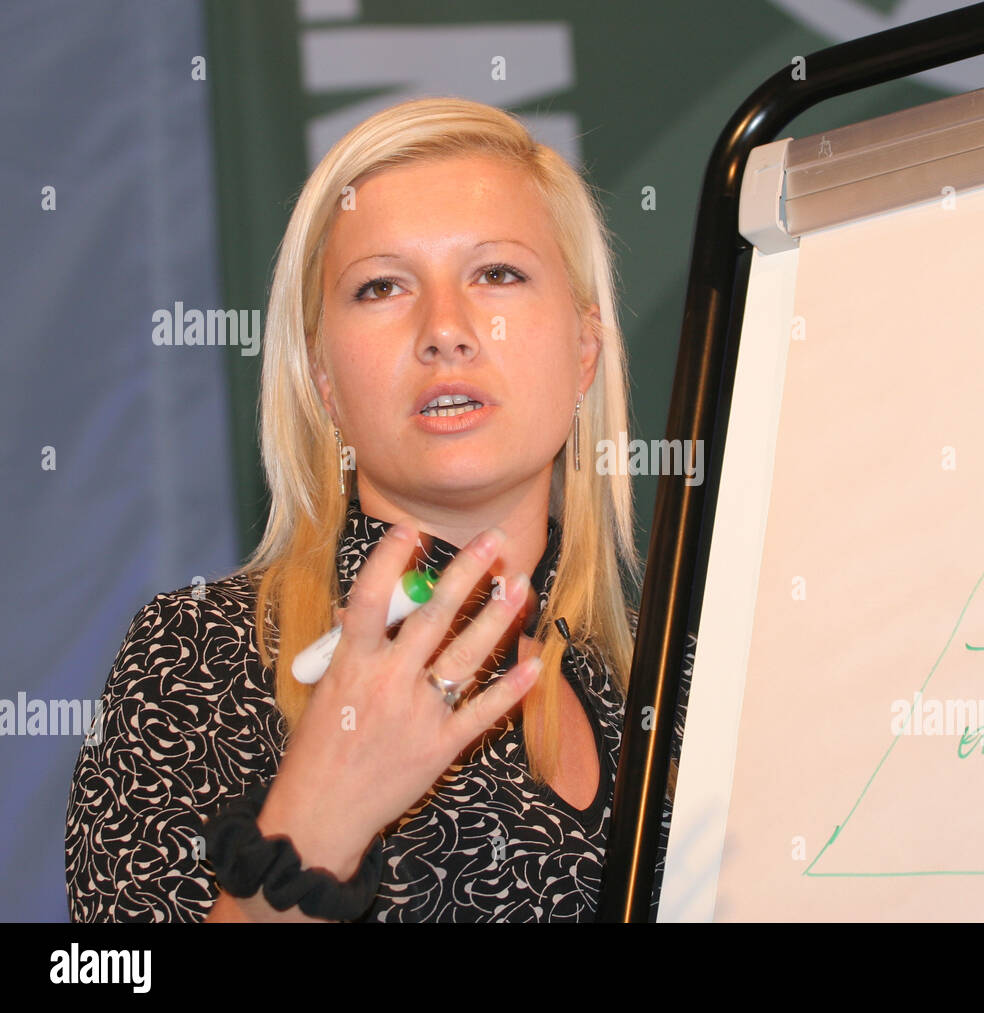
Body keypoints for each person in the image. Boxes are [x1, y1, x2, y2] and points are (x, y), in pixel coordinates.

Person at [64, 96, 693, 922]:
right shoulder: (205, 657)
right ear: (324, 380)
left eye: (497, 273)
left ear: (584, 351)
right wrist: (315, 825)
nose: (445, 330)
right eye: (383, 286)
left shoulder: (674, 690)